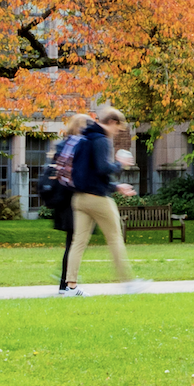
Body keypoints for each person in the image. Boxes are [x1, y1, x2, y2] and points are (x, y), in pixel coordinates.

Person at [63, 106, 140, 294]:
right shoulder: (101, 140)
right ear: (112, 122)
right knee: (115, 238)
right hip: (97, 198)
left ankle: (70, 286)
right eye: (118, 128)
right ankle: (128, 281)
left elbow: (87, 172)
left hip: (79, 198)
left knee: (78, 242)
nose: (117, 132)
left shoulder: (83, 139)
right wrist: (119, 164)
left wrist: (116, 187)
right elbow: (102, 169)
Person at [45, 113, 90, 295]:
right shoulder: (77, 146)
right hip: (72, 199)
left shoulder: (63, 145)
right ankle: (67, 283)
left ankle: (65, 281)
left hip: (63, 199)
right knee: (74, 242)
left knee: (72, 242)